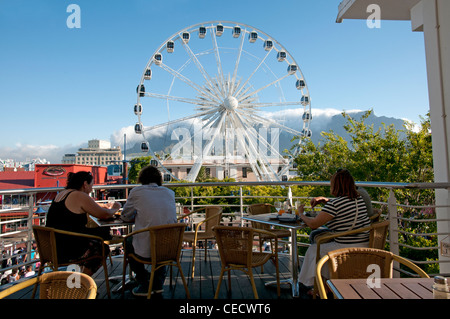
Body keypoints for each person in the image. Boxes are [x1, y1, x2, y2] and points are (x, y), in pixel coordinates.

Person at [297, 168, 371, 298]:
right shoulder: (358, 198)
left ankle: (314, 285)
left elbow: (313, 224)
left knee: (314, 250)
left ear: (336, 185)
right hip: (364, 244)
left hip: (345, 247)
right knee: (322, 248)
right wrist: (325, 201)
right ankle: (328, 285)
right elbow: (343, 206)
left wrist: (301, 214)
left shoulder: (335, 205)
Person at [45, 171, 121, 276]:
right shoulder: (79, 195)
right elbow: (105, 215)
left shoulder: (63, 194)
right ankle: (81, 282)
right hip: (68, 249)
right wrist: (116, 207)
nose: (91, 189)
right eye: (91, 185)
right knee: (102, 248)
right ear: (85, 184)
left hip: (52, 247)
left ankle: (77, 280)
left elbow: (88, 207)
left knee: (101, 233)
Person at [120, 165, 177, 297]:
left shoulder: (136, 192)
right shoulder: (170, 193)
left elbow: (125, 216)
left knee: (127, 242)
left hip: (147, 247)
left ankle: (144, 281)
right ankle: (157, 283)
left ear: (142, 178)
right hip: (170, 247)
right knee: (161, 239)